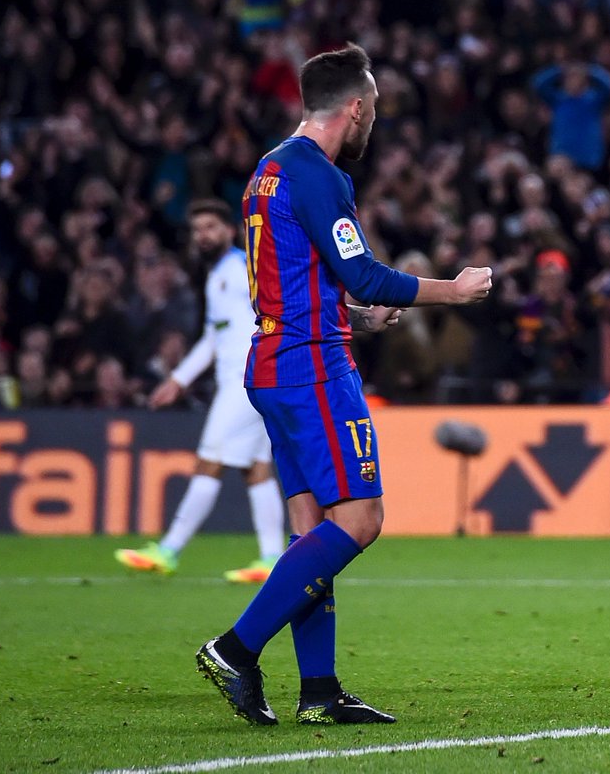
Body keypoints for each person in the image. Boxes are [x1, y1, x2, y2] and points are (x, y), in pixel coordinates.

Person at [195, 43, 492, 726]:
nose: (375, 122)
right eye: (375, 109)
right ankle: (235, 649)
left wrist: (353, 314)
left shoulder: (267, 171)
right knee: (360, 521)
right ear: (355, 108)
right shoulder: (318, 174)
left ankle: (320, 691)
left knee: (313, 535)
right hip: (312, 369)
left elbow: (294, 277)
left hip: (272, 361)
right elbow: (362, 272)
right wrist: (452, 291)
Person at [115, 199, 286, 584]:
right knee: (256, 470)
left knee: (209, 460)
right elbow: (213, 337)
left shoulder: (242, 269)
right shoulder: (217, 275)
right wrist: (179, 379)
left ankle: (168, 550)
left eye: (210, 227)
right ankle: (272, 558)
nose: (202, 236)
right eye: (196, 229)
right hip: (254, 379)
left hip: (245, 379)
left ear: (229, 230)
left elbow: (272, 312)